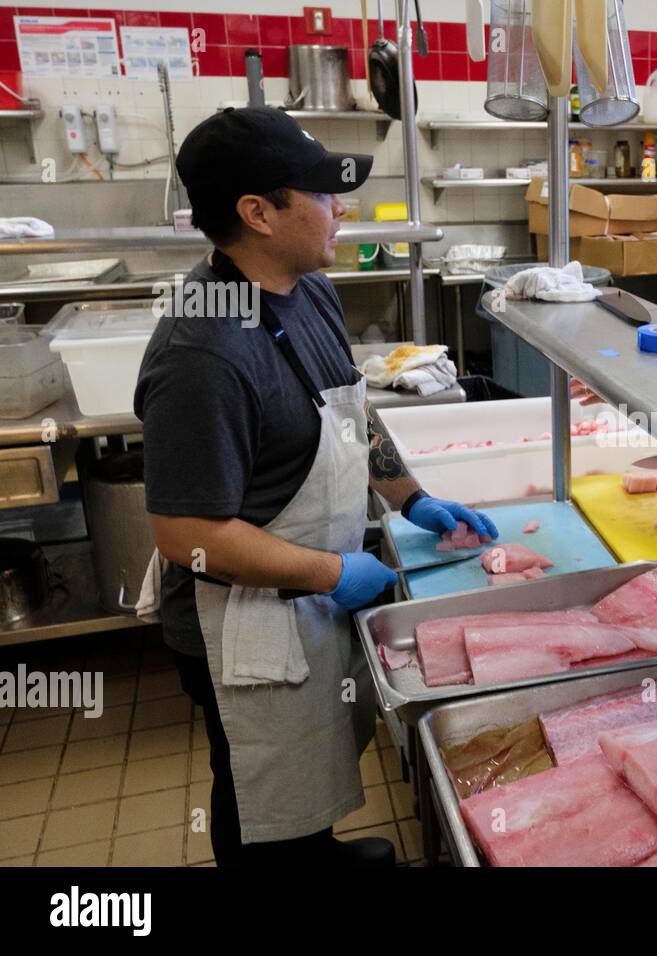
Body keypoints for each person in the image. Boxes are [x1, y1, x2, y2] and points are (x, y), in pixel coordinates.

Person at [134, 108, 498, 866]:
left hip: (302, 591)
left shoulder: (309, 289)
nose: (345, 210)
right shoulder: (201, 352)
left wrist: (412, 498)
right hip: (237, 621)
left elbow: (350, 416)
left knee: (302, 769)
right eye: (324, 194)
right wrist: (335, 574)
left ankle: (315, 849)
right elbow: (186, 535)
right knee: (257, 784)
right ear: (258, 214)